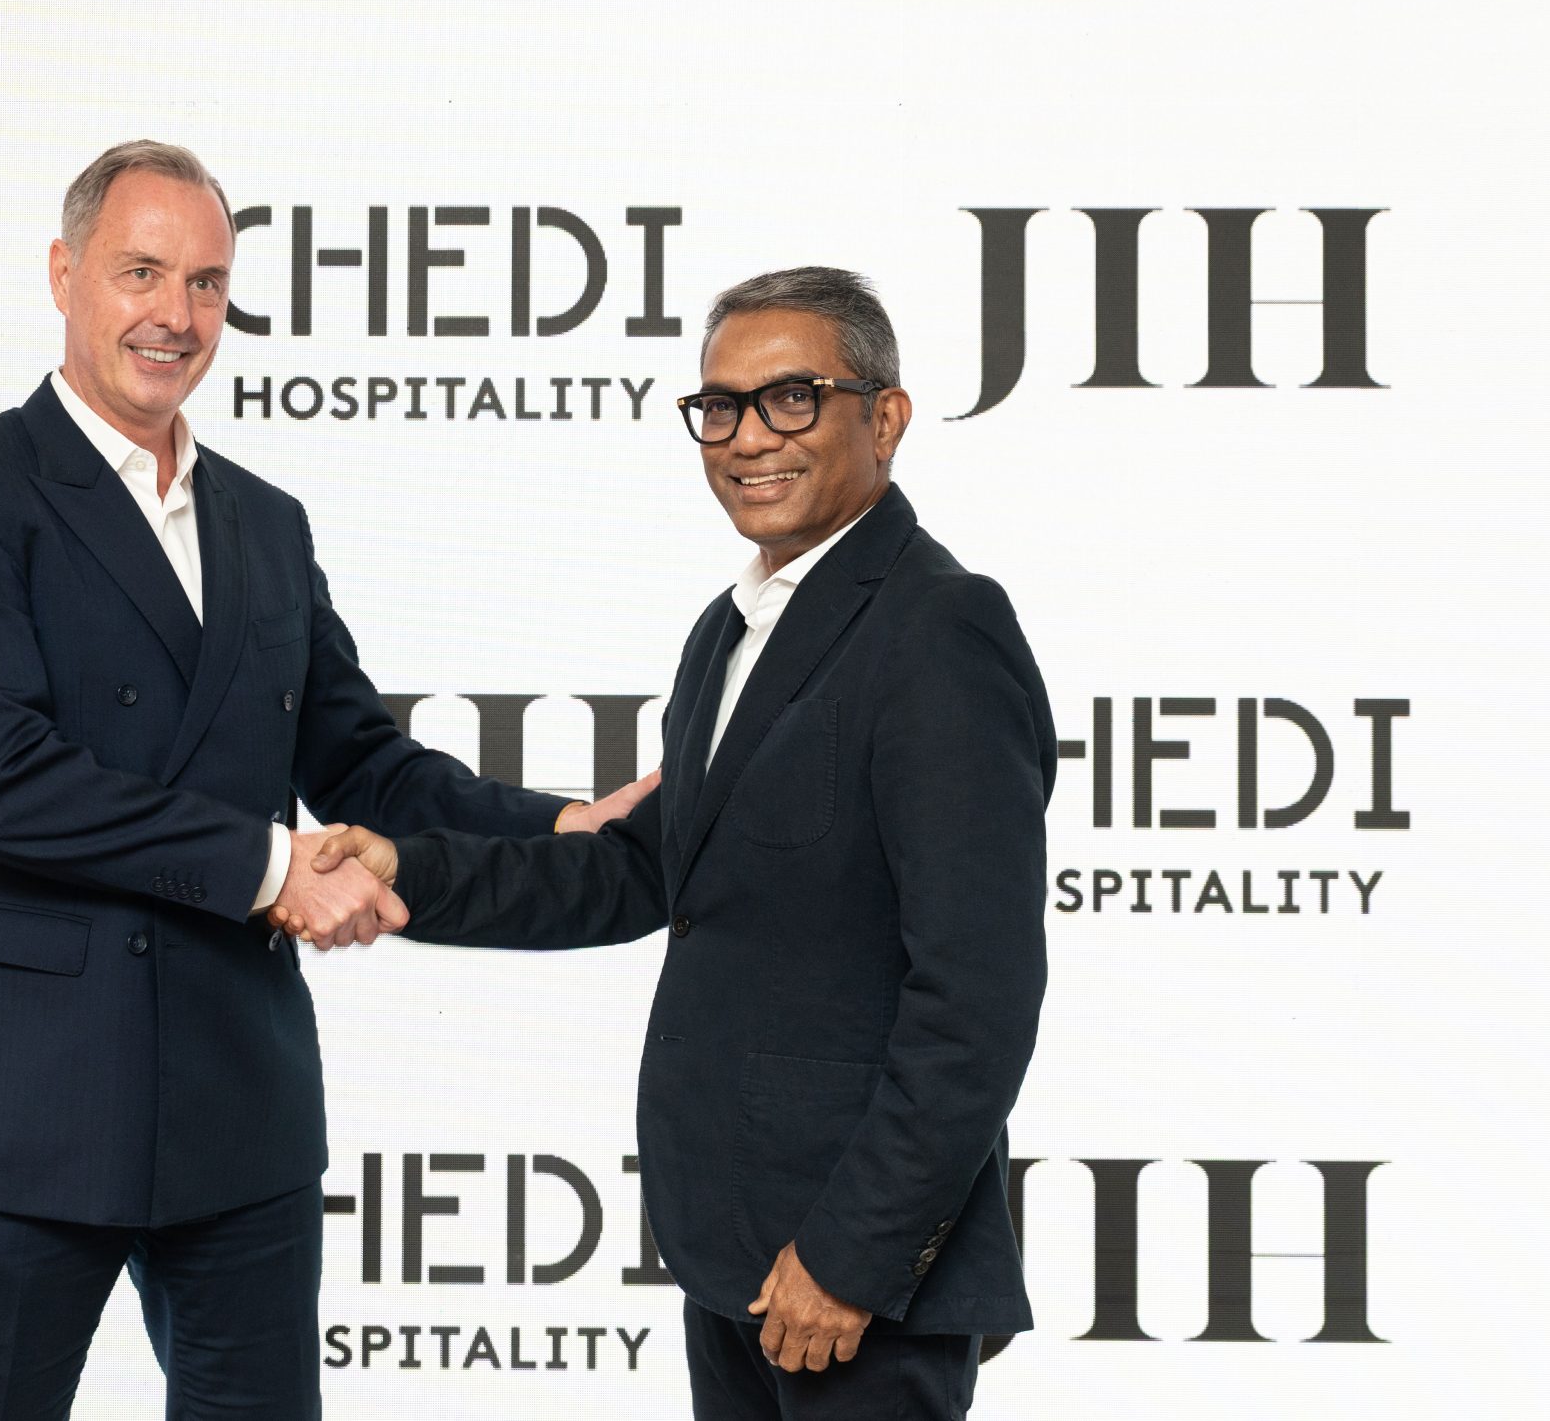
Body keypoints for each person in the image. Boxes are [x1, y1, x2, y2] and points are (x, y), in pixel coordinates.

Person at [0, 139, 654, 1419]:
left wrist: (561, 821)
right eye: (141, 273)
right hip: (15, 1103)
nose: (175, 314)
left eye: (207, 283)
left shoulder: (265, 523)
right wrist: (272, 867)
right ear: (64, 275)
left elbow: (358, 758)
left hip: (234, 1103)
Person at [287, 267, 1053, 1420]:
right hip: (730, 1250)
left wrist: (852, 1257)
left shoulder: (939, 626)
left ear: (885, 418)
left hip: (848, 1276)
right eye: (720, 407)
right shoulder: (727, 633)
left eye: (791, 398)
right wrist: (411, 872)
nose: (747, 437)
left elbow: (978, 996)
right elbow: (638, 868)